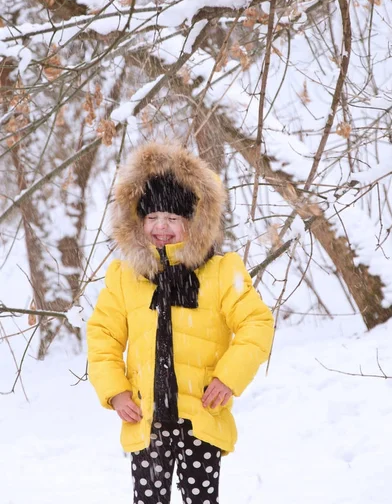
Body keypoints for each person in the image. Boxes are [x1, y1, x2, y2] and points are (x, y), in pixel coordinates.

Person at [87, 142, 274, 504]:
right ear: (138, 221)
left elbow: (257, 324)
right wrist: (115, 390)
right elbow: (103, 336)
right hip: (146, 419)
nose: (162, 227)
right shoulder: (124, 275)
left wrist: (228, 377)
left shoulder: (222, 271)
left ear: (193, 222)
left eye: (173, 219)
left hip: (201, 417)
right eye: (153, 217)